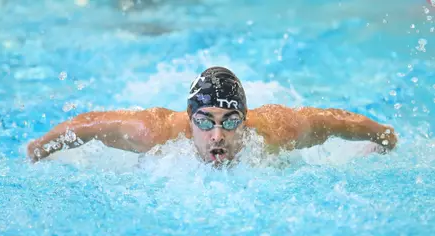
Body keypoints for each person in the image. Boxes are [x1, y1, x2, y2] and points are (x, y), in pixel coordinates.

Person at [27, 66, 397, 165]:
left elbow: (332, 121)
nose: (217, 136)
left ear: (245, 121)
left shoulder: (276, 131)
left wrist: (384, 136)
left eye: (230, 122)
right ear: (189, 121)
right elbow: (87, 125)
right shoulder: (153, 132)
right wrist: (40, 149)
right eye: (204, 122)